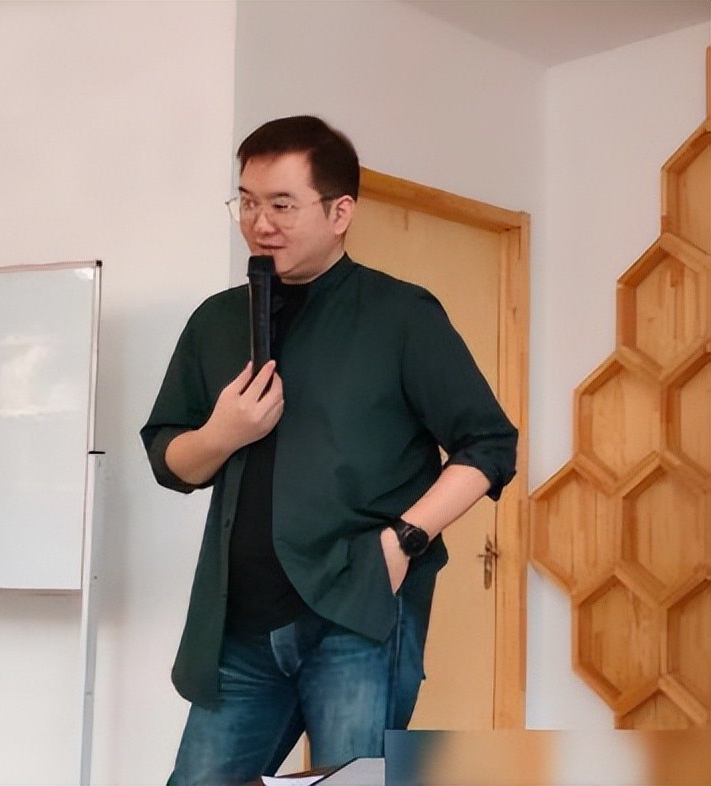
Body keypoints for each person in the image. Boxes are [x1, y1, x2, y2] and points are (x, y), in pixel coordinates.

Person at [140, 115, 517, 785]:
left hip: (358, 617)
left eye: (282, 205)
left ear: (340, 212)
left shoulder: (402, 315)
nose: (260, 223)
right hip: (238, 629)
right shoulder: (215, 321)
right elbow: (169, 461)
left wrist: (405, 539)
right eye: (247, 202)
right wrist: (223, 434)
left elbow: (489, 444)